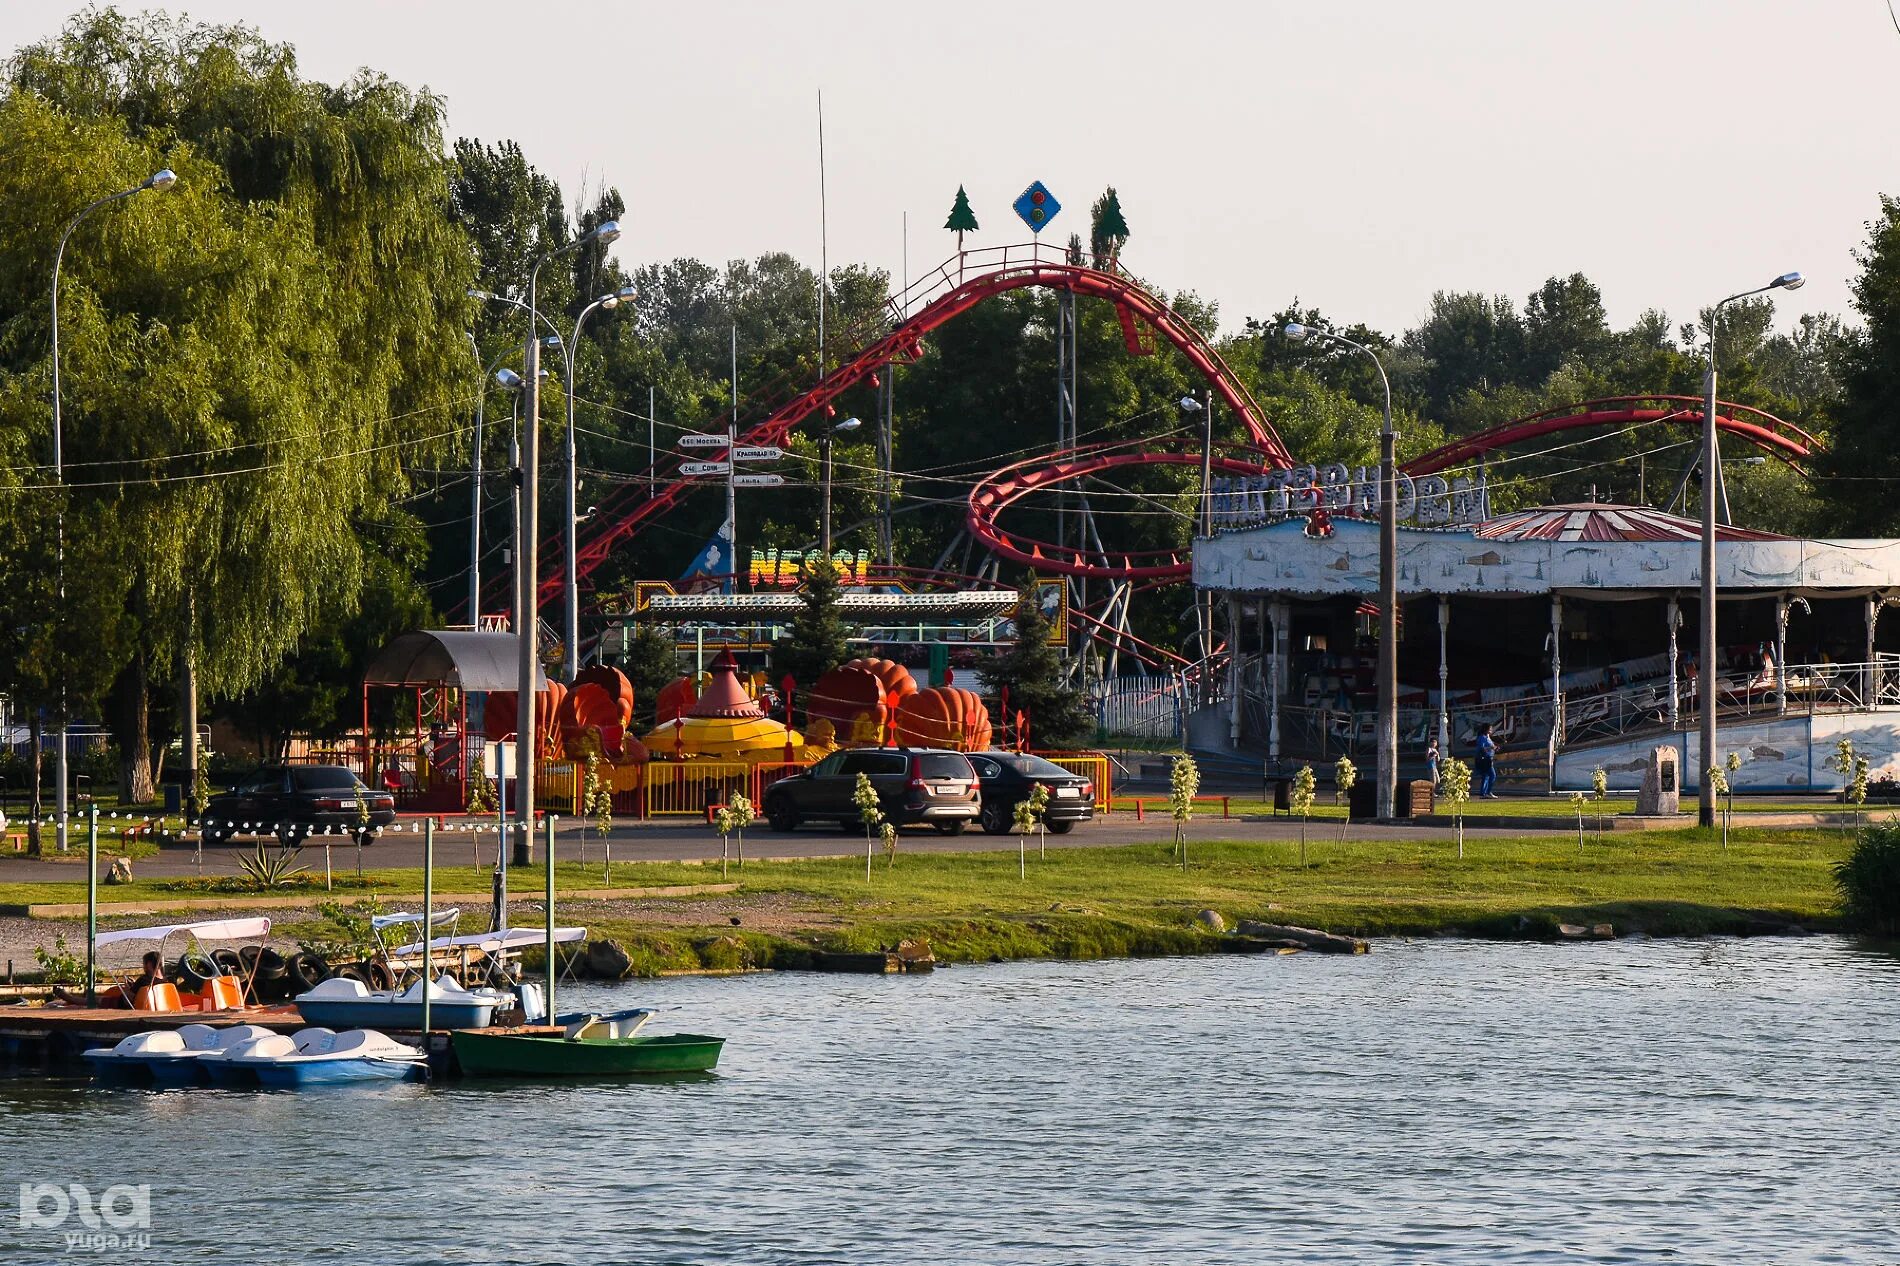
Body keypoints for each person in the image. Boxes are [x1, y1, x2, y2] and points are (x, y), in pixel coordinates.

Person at [1473, 723, 1498, 798]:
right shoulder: (1482, 737)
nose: (1491, 730)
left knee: (1486, 776)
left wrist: (1495, 748)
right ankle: (1488, 792)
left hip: (1489, 758)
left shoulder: (1488, 737)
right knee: (1492, 775)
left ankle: (1483, 793)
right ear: (1486, 729)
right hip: (1485, 759)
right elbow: (1482, 748)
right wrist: (1491, 748)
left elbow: (1489, 746)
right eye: (1490, 729)